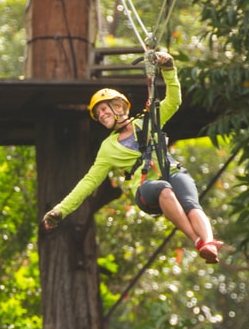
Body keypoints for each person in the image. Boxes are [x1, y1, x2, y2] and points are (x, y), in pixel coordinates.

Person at [41, 50, 224, 263]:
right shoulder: (108, 148)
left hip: (172, 171)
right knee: (163, 188)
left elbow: (173, 101)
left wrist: (168, 68)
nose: (101, 115)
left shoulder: (147, 121)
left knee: (191, 203)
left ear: (119, 106)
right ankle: (197, 241)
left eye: (104, 109)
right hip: (147, 187)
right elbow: (89, 182)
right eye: (98, 113)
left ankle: (209, 243)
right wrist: (60, 210)